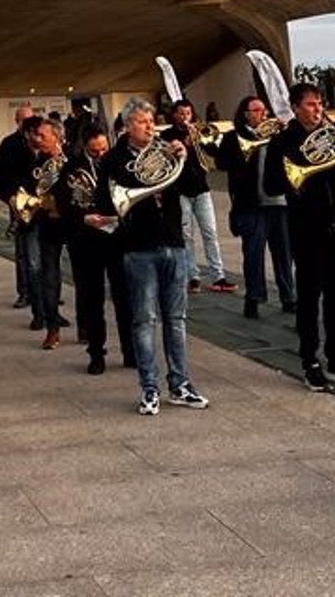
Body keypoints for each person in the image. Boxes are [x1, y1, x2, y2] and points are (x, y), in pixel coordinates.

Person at [101, 98, 208, 415]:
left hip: (173, 242)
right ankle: (149, 388)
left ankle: (180, 383)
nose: (150, 126)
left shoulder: (167, 150)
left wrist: (184, 158)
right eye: (142, 121)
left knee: (176, 320)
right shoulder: (114, 159)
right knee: (144, 320)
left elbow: (195, 187)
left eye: (151, 120)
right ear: (127, 125)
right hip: (138, 247)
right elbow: (108, 202)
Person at [263, 83, 335, 392]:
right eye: (310, 104)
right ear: (295, 107)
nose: (317, 109)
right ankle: (311, 361)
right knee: (309, 296)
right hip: (307, 227)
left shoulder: (333, 134)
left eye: (319, 103)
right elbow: (271, 185)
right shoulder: (283, 141)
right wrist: (303, 170)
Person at [61, 125, 134, 374]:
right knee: (92, 299)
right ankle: (96, 354)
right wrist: (83, 218)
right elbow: (64, 205)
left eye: (104, 149)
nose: (101, 155)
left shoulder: (118, 162)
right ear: (84, 147)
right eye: (95, 152)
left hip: (117, 237)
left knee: (125, 297)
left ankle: (130, 350)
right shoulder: (71, 167)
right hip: (86, 240)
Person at [219, 94, 294, 320]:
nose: (263, 114)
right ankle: (254, 297)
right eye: (257, 110)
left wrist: (284, 134)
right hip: (251, 203)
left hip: (280, 203)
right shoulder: (234, 137)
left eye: (264, 110)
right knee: (253, 254)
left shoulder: (278, 136)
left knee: (284, 254)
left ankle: (289, 297)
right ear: (246, 114)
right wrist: (245, 153)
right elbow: (222, 163)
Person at [165, 99, 235, 295]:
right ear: (174, 115)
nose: (185, 117)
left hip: (201, 188)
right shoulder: (167, 135)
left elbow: (215, 152)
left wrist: (204, 139)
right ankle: (192, 276)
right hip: (180, 190)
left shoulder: (198, 131)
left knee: (210, 233)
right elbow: (168, 161)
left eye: (188, 113)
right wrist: (185, 145)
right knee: (187, 236)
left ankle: (218, 275)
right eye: (181, 113)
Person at [18, 117, 72, 348]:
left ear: (57, 138)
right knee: (49, 275)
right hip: (47, 223)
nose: (36, 139)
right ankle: (52, 328)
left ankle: (87, 326)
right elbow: (29, 190)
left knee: (84, 274)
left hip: (73, 222)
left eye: (42, 136)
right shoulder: (34, 163)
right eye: (36, 135)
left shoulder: (73, 159)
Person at [0, 108, 40, 315]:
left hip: (43, 204)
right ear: (17, 121)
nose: (29, 126)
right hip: (20, 203)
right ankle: (25, 291)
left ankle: (45, 291)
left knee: (44, 251)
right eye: (24, 121)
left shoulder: (44, 143)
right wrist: (10, 198)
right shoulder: (9, 144)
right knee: (23, 251)